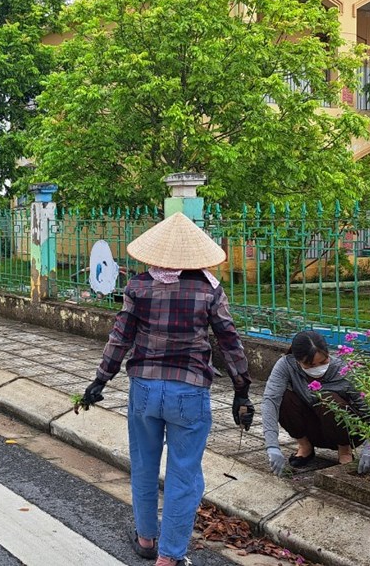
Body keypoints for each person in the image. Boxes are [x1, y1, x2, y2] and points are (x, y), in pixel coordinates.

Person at [78, 212, 253, 566]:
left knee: (143, 465)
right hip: (188, 392)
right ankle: (169, 557)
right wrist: (242, 389)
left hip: (144, 389)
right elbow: (229, 342)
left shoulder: (138, 287)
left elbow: (120, 338)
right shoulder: (209, 289)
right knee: (183, 474)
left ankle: (146, 539)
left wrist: (100, 380)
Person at [262, 330, 370, 476]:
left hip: (345, 431)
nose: (317, 368)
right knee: (283, 397)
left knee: (328, 399)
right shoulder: (286, 365)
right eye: (309, 365)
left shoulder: (345, 370)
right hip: (312, 428)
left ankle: (345, 451)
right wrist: (272, 446)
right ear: (297, 360)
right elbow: (270, 401)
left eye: (323, 362)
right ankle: (305, 446)